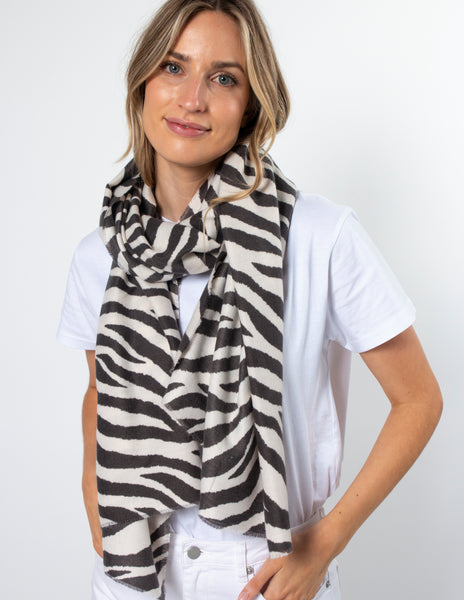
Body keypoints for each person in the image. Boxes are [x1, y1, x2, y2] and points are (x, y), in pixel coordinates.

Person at [57, 1, 442, 599]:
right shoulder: (101, 252)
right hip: (134, 566)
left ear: (251, 105)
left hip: (265, 568)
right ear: (142, 85)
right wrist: (94, 494)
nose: (192, 99)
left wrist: (325, 543)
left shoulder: (316, 235)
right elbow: (100, 389)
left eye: (223, 78)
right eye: (173, 68)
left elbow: (418, 399)